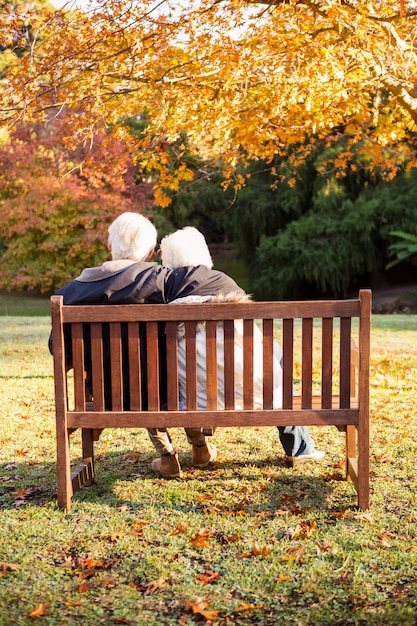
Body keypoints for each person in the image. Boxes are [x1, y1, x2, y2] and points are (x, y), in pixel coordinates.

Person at [49, 212, 245, 477]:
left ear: (109, 246)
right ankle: (199, 446)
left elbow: (58, 349)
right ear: (152, 251)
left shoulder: (70, 293)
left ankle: (168, 456)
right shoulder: (164, 281)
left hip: (107, 397)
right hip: (167, 391)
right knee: (155, 376)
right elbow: (207, 282)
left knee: (136, 380)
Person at [160, 226, 325, 470]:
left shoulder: (164, 294)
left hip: (194, 399)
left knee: (187, 372)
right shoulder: (227, 285)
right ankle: (300, 447)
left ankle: (199, 447)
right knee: (274, 353)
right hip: (254, 393)